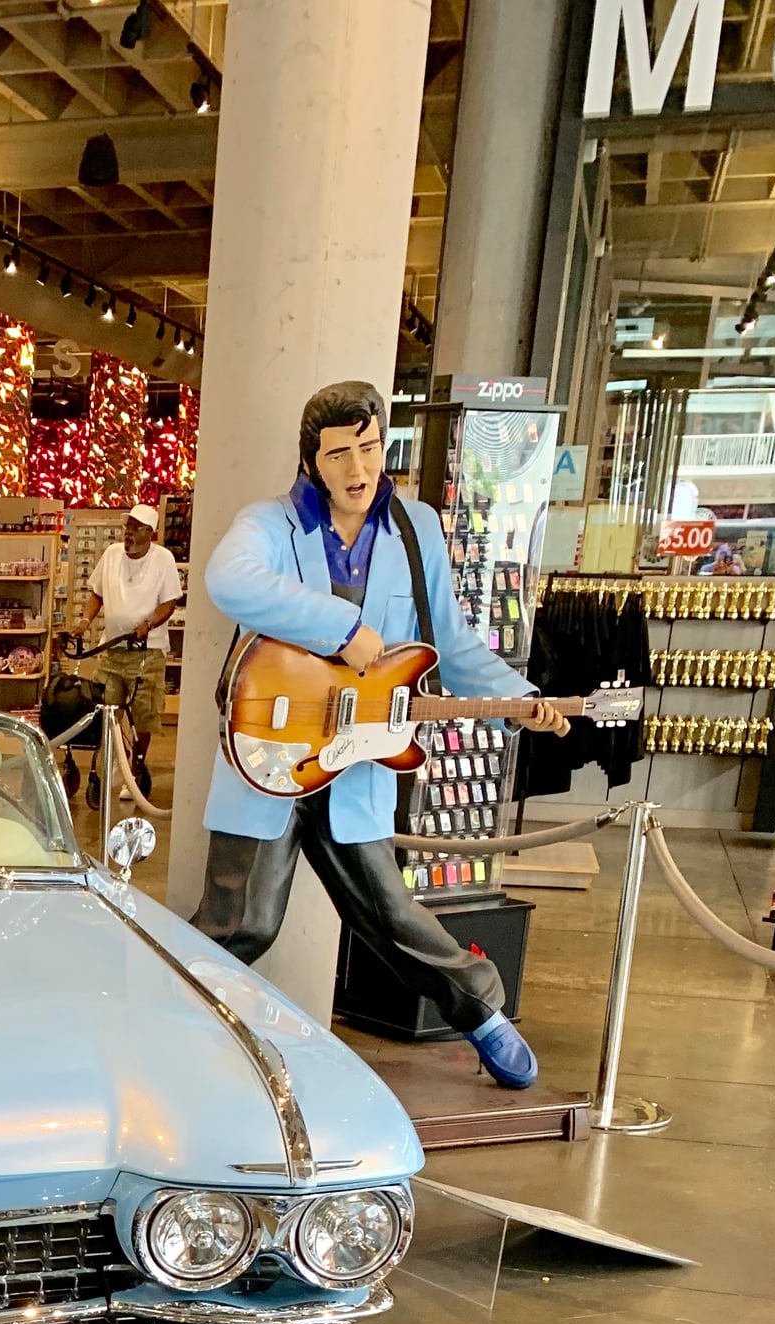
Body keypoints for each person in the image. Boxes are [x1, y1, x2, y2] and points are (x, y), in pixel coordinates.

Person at [191, 380, 569, 1091]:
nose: (358, 469)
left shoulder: (415, 527)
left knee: (391, 915)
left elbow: (450, 643)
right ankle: (163, 1026)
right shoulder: (270, 522)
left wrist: (520, 700)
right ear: (311, 460)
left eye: (368, 448)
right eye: (338, 454)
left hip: (358, 761)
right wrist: (345, 631)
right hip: (269, 754)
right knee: (242, 923)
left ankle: (481, 1012)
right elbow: (227, 577)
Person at [70, 500, 182, 786]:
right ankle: (113, 762)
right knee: (107, 710)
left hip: (148, 652)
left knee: (144, 714)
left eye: (136, 528)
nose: (128, 533)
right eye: (127, 527)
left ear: (150, 534)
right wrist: (84, 622)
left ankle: (135, 767)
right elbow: (97, 594)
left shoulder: (163, 559)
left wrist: (148, 624)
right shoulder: (111, 555)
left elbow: (169, 603)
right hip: (111, 651)